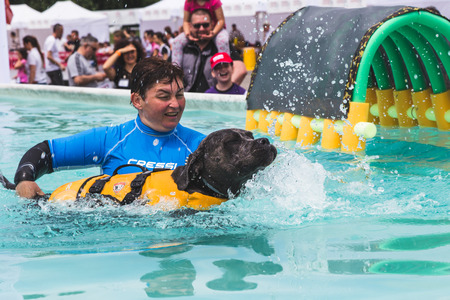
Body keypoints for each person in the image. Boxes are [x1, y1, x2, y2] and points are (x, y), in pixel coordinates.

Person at [14, 57, 206, 199]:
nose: (175, 104)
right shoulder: (110, 140)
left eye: (179, 95)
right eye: (164, 96)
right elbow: (45, 152)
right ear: (138, 100)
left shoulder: (200, 146)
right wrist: (24, 180)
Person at [172, 0, 229, 67]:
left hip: (216, 30)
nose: (201, 28)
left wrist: (213, 33)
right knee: (176, 42)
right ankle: (175, 69)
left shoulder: (215, 1)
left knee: (222, 40)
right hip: (198, 31)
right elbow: (186, 21)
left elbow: (221, 20)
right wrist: (188, 34)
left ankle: (225, 66)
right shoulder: (189, 2)